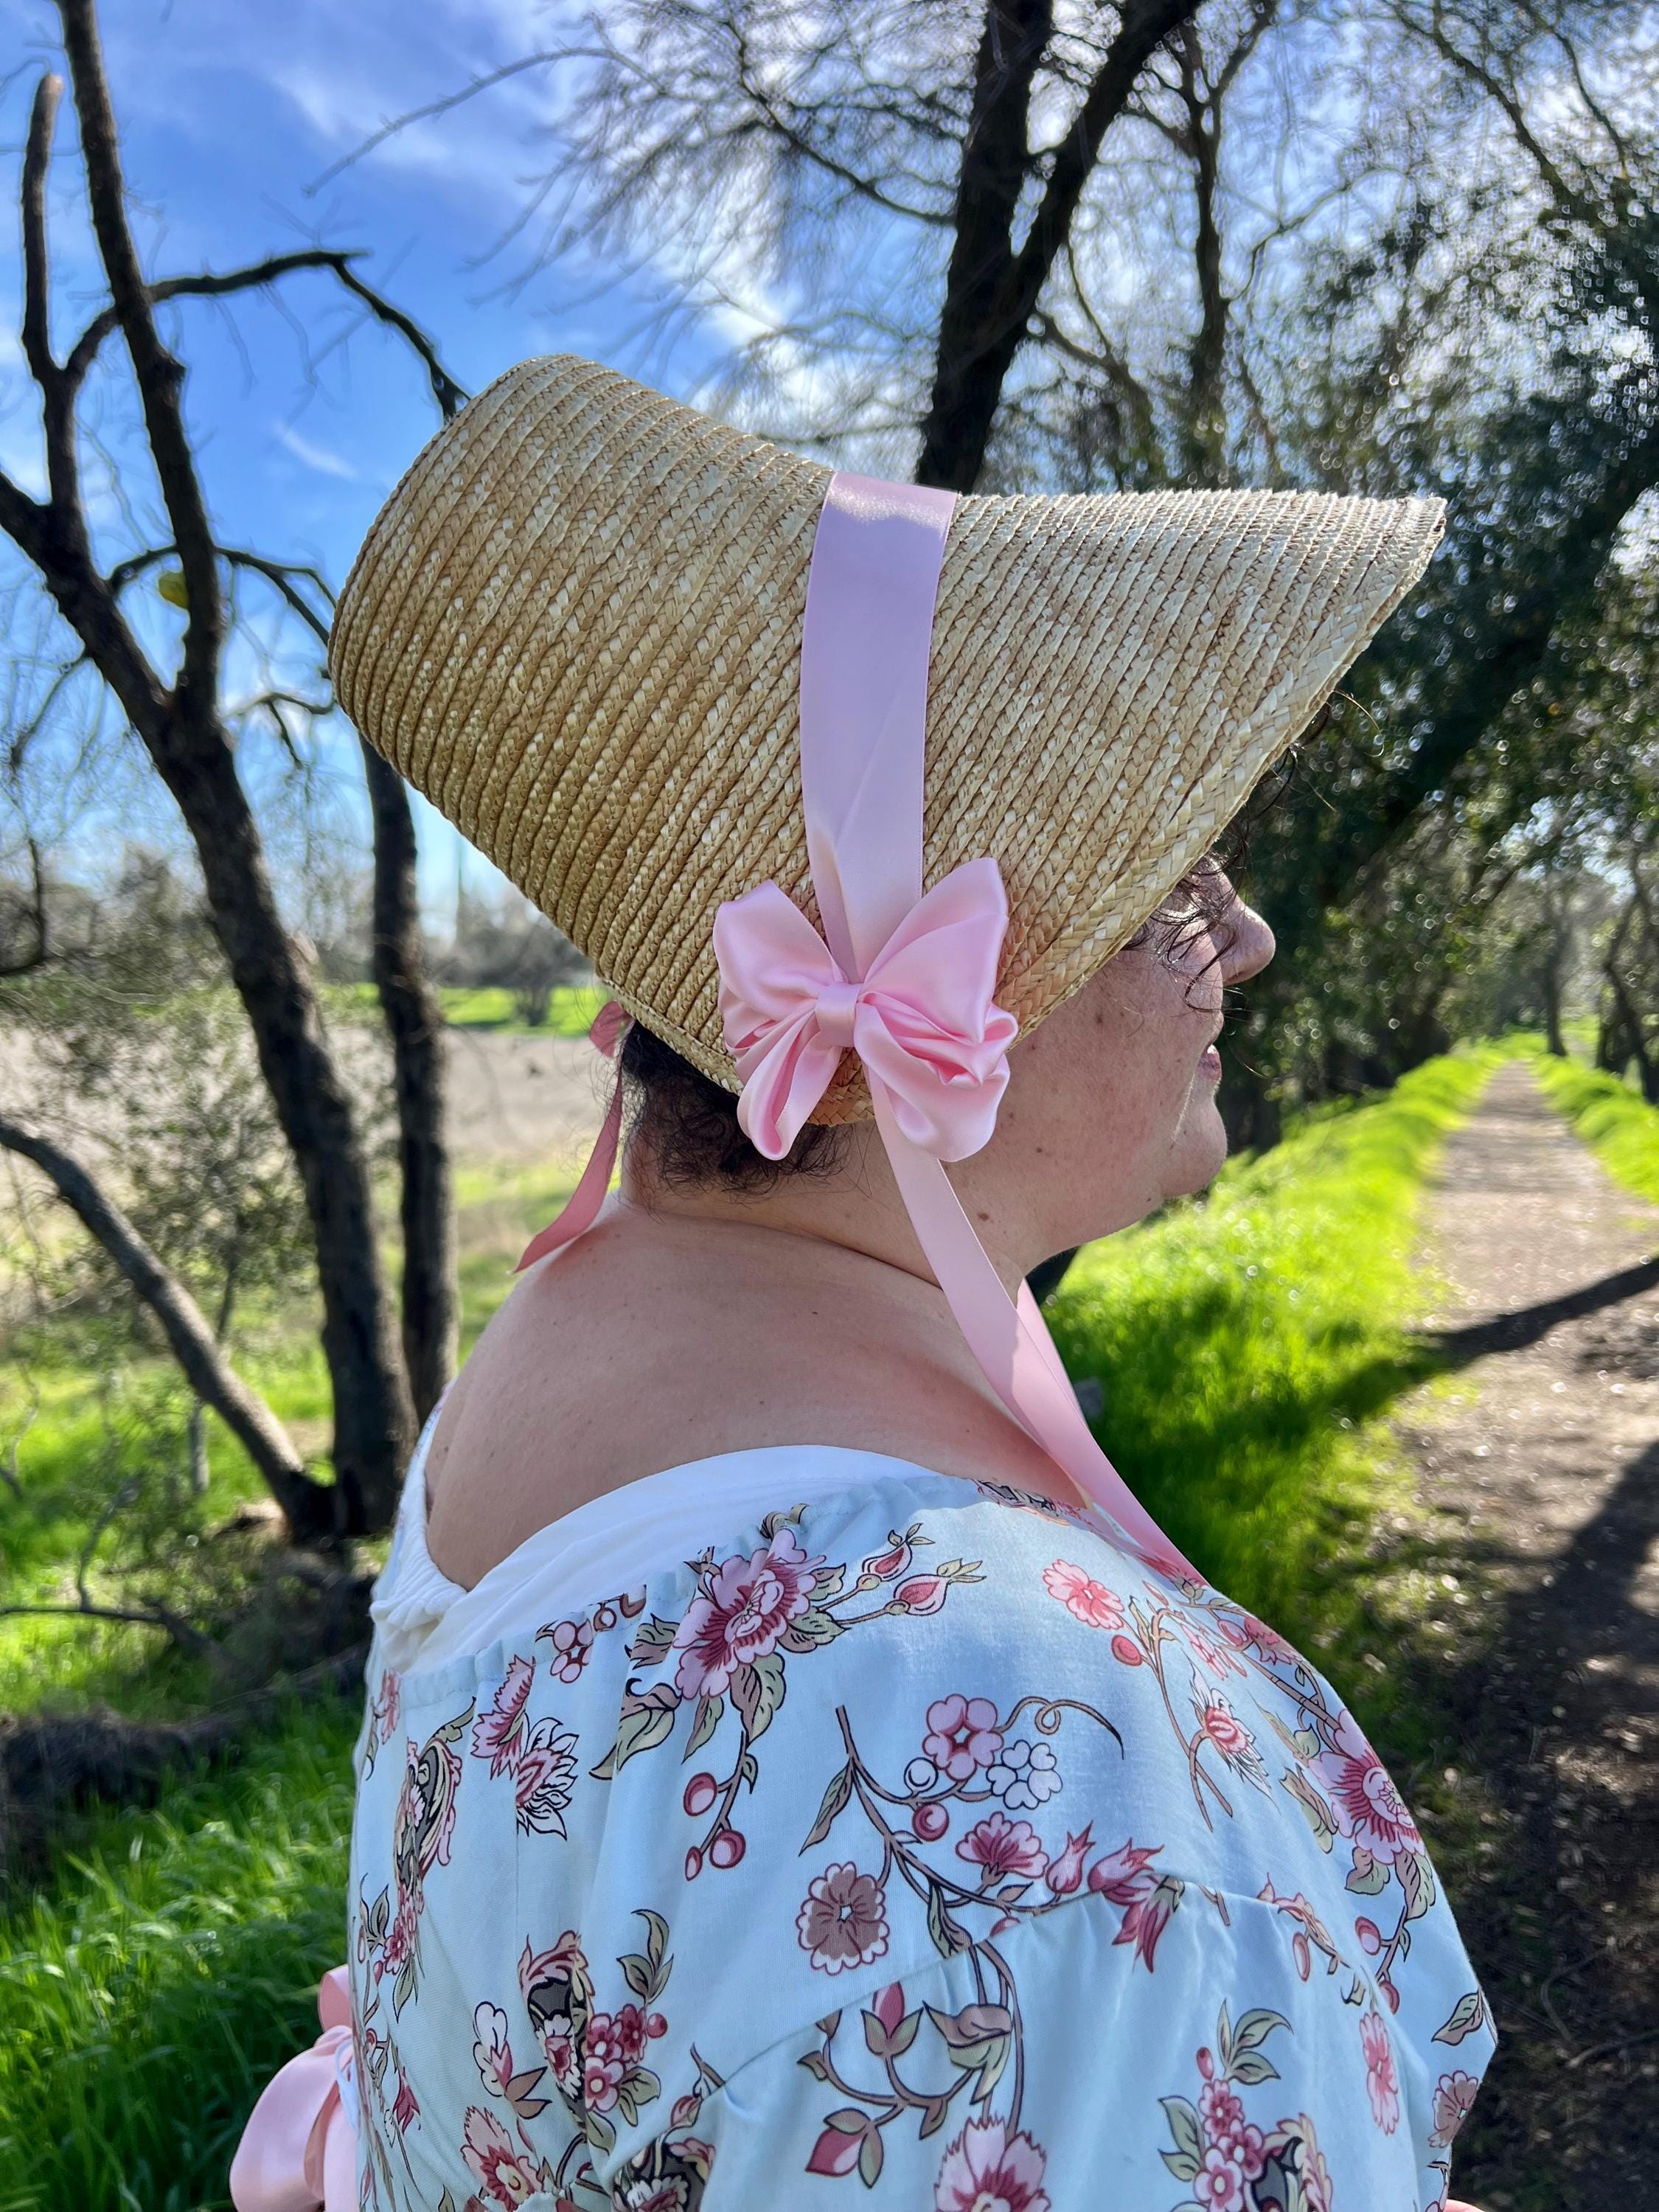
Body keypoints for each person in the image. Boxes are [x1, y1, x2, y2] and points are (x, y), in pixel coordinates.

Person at [231, 357, 1494, 2212]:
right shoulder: (1030, 1781)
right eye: (1174, 882)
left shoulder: (566, 1356)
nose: (1248, 937)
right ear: (933, 1009)